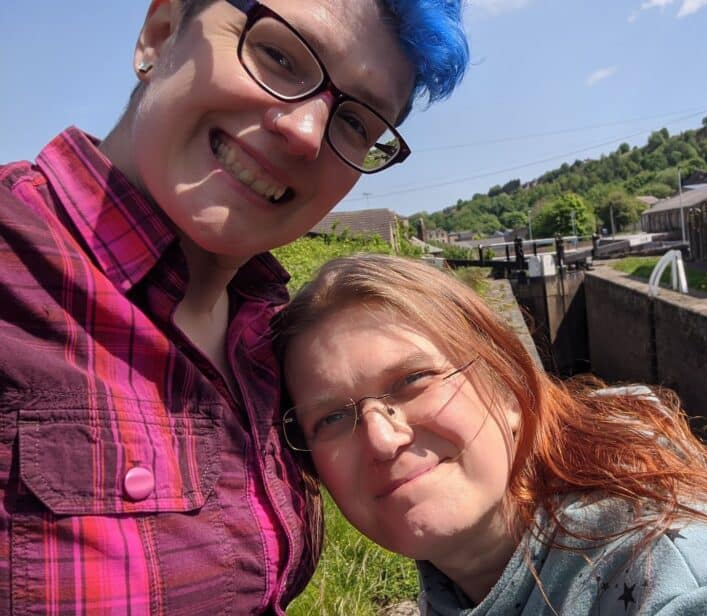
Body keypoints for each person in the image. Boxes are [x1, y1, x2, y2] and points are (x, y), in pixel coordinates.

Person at [0, 0, 467, 612]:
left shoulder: (273, 334)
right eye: (278, 55)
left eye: (357, 123)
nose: (305, 133)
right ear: (160, 32)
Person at [278, 254, 707, 615]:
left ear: (510, 387)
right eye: (331, 418)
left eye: (412, 379)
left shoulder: (686, 590)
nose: (380, 438)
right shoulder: (466, 575)